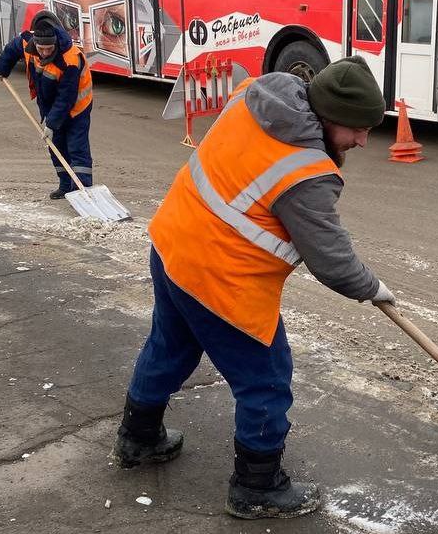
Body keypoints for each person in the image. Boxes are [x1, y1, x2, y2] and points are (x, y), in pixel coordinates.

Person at [112, 56, 395, 520]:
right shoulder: (305, 171)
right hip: (221, 278)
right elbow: (331, 259)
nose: (363, 140)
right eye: (355, 129)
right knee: (265, 379)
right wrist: (370, 286)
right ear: (325, 116)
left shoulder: (259, 94)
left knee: (169, 346)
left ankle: (137, 439)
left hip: (173, 244)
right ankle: (257, 488)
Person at [0, 10, 94, 199]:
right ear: (35, 43)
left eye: (49, 48)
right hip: (49, 103)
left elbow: (66, 99)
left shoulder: (70, 60)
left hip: (77, 108)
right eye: (41, 49)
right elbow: (12, 49)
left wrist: (52, 124)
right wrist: (1, 68)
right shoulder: (27, 42)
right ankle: (65, 186)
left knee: (76, 147)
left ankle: (83, 191)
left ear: (55, 42)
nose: (45, 52)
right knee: (56, 145)